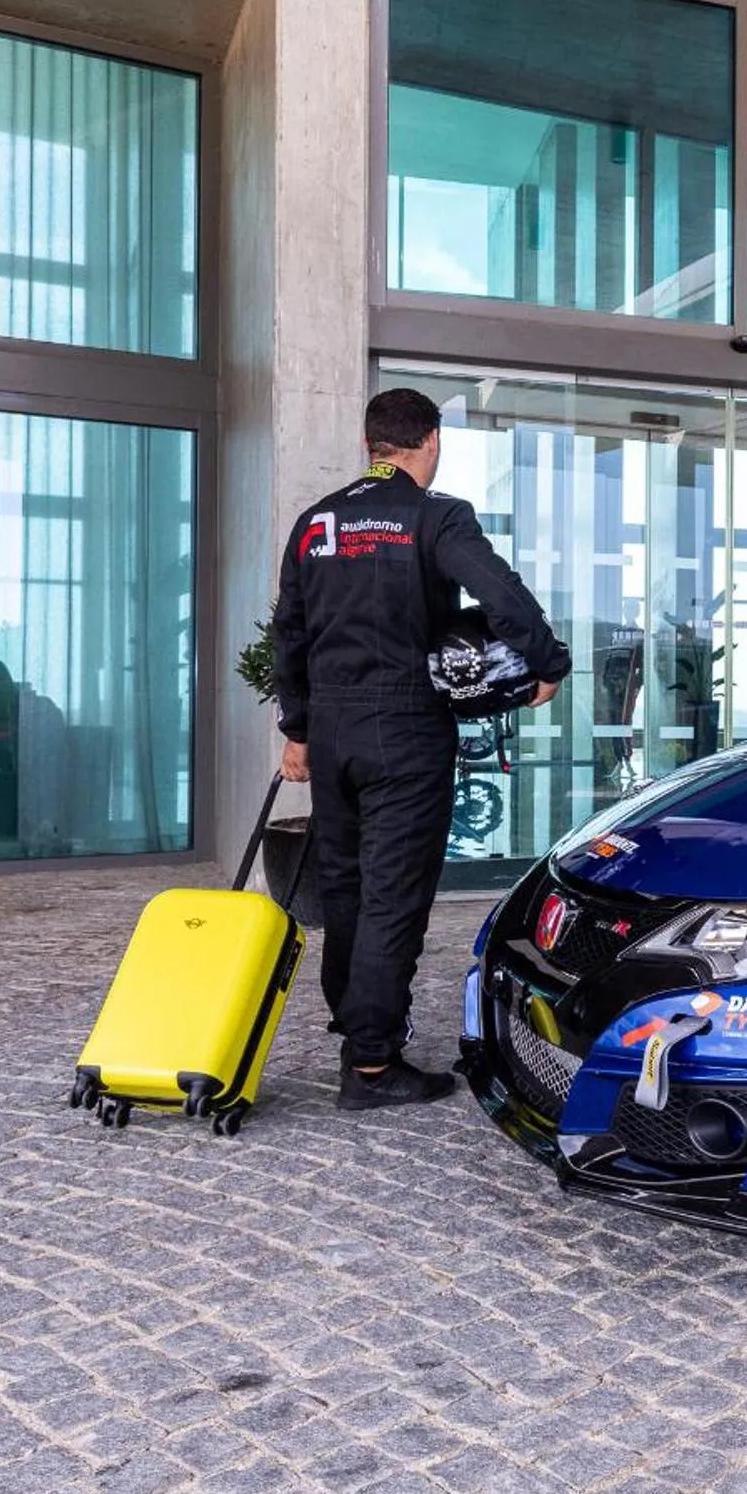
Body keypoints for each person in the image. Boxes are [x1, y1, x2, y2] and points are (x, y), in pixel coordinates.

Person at [271, 388, 570, 1110]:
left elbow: (290, 630)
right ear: (429, 441)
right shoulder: (436, 516)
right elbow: (501, 594)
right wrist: (546, 663)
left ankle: (357, 1020)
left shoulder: (317, 523)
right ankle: (371, 1065)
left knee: (344, 885)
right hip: (404, 725)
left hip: (335, 729)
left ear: (370, 442)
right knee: (394, 894)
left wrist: (299, 728)